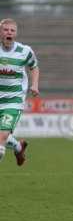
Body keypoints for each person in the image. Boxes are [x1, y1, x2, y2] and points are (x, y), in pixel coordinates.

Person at [0, 18, 39, 166]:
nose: (9, 33)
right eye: (6, 30)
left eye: (12, 30)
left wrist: (35, 85)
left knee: (2, 137)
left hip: (13, 101)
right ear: (0, 32)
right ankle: (18, 147)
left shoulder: (24, 51)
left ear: (16, 33)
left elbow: (34, 66)